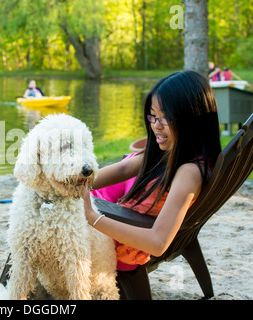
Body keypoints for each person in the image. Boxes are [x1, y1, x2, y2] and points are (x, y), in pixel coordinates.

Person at [82, 70, 221, 271]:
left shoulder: (189, 172)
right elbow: (124, 169)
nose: (156, 125)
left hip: (123, 249)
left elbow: (157, 243)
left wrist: (91, 217)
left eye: (165, 118)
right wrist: (75, 184)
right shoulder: (175, 150)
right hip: (120, 227)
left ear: (192, 119)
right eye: (153, 116)